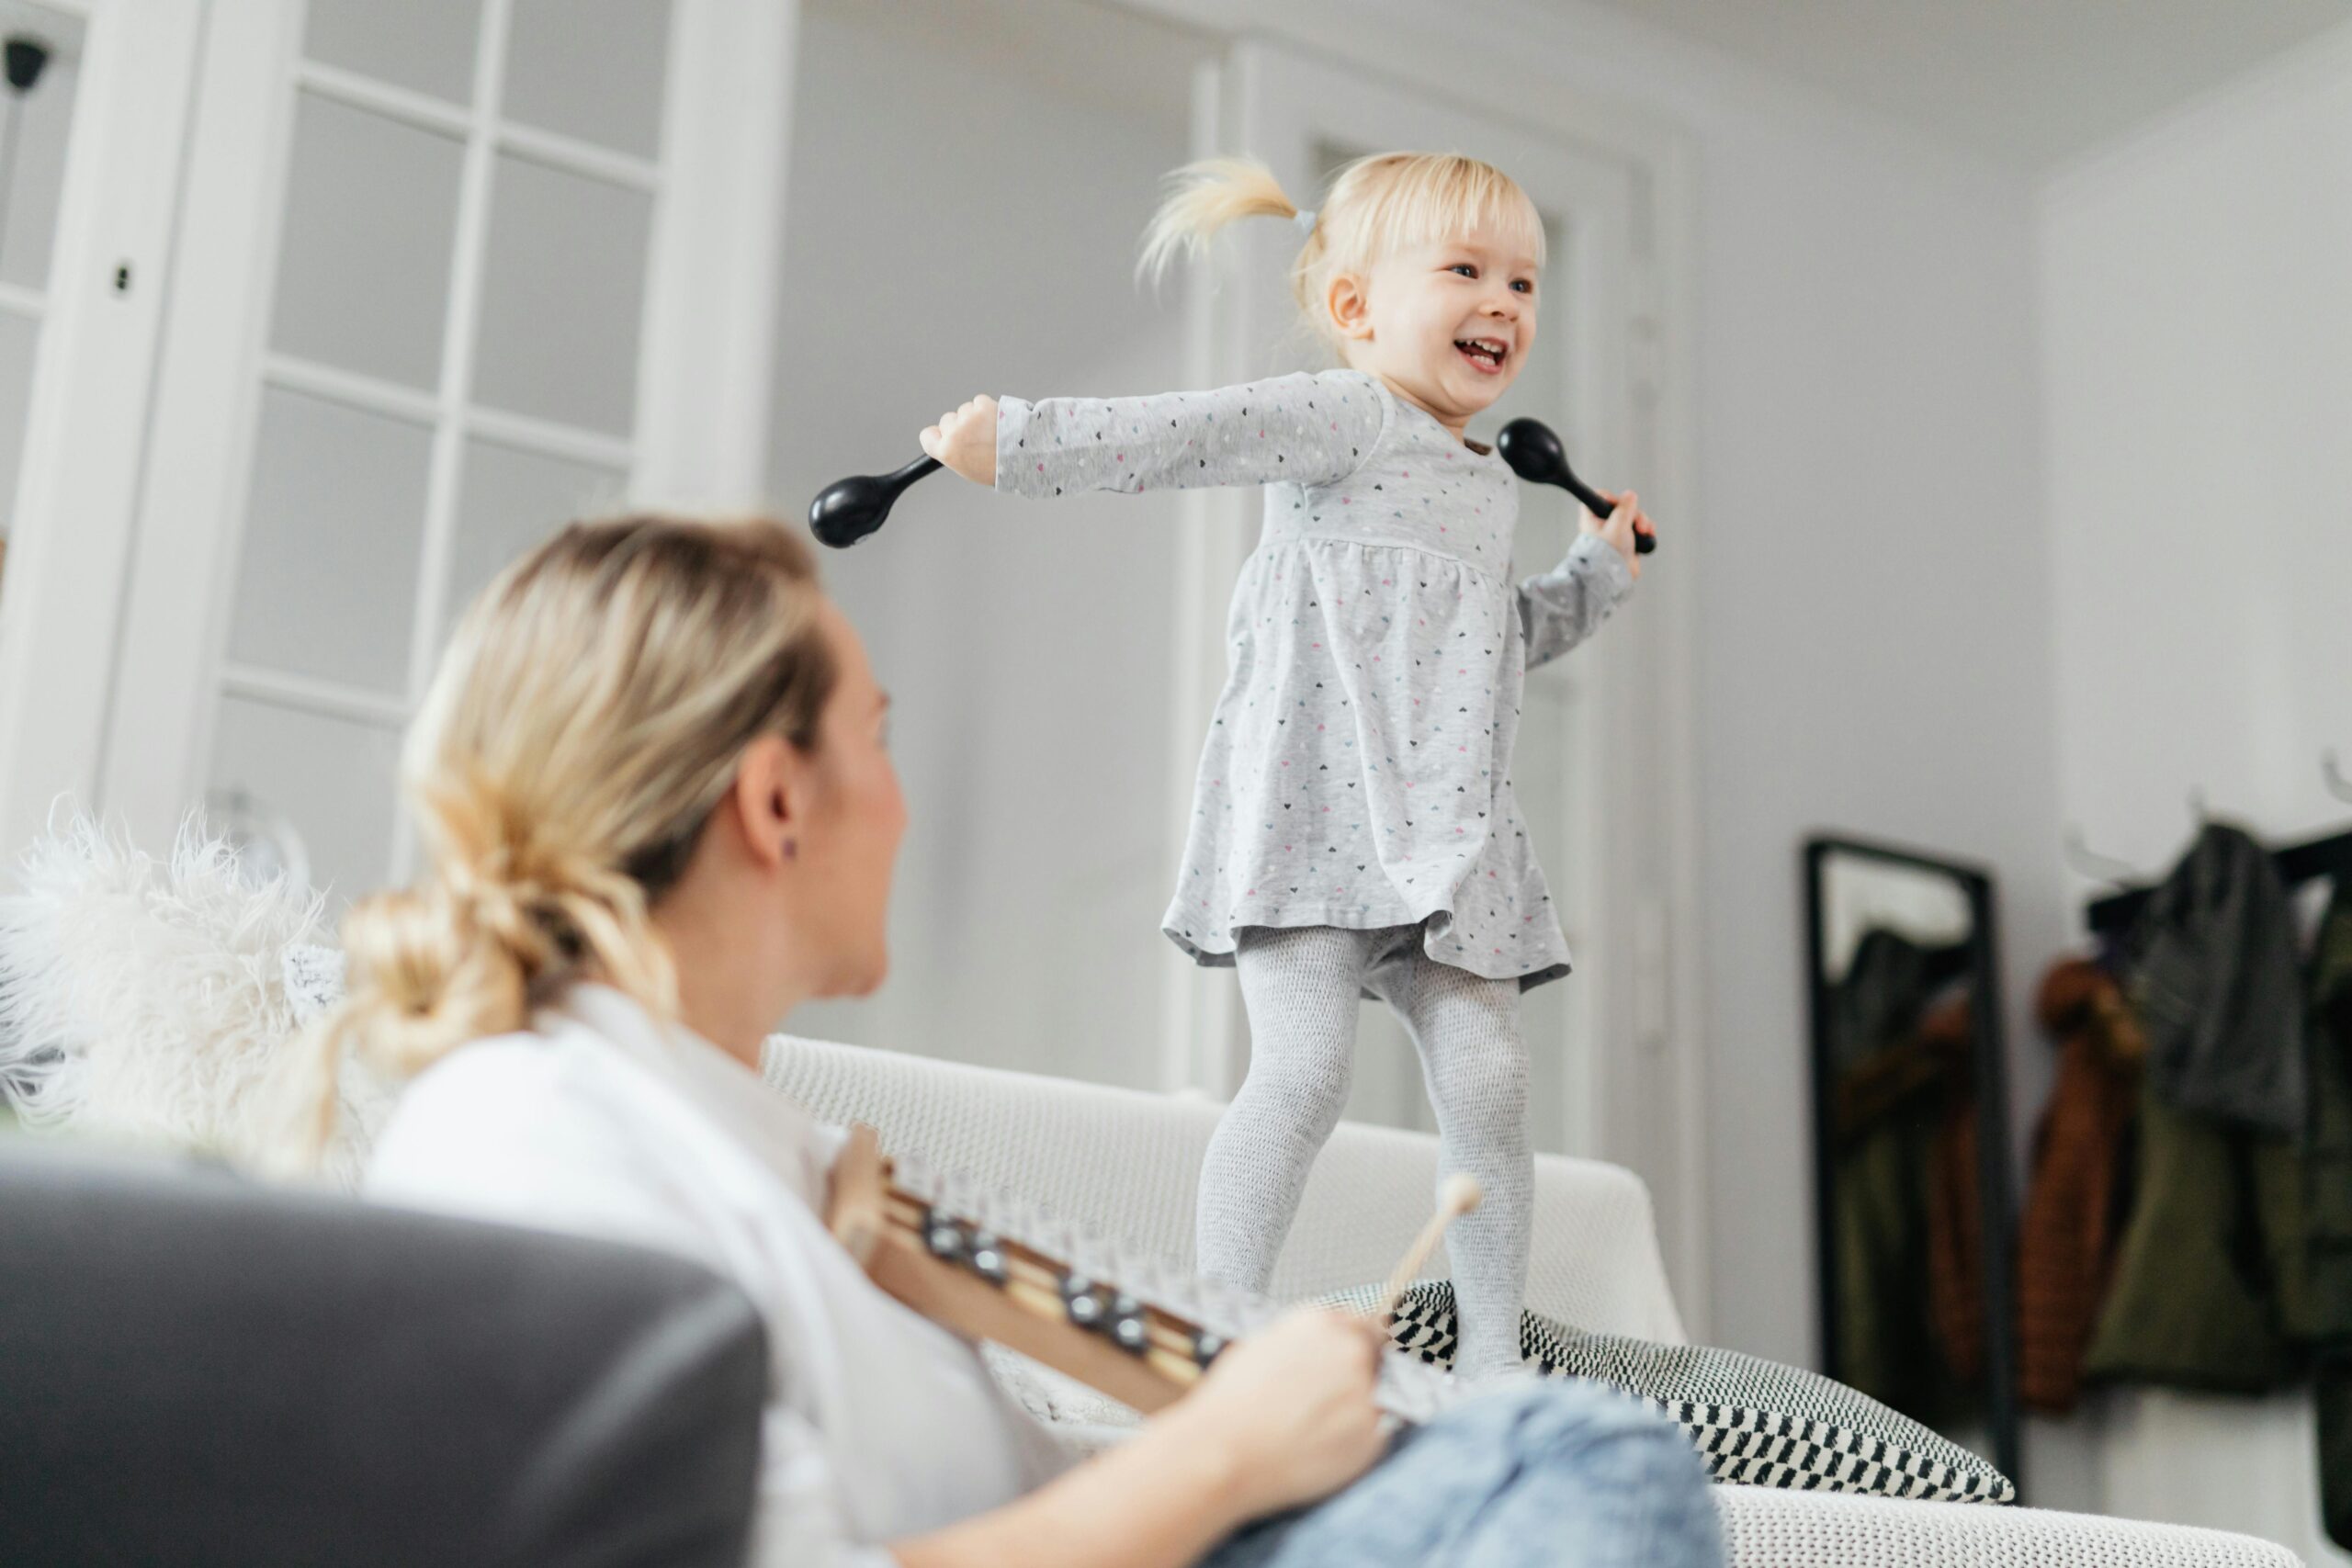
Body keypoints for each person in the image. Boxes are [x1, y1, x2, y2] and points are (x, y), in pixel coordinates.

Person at [290, 514, 1718, 1566]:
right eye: (880, 737)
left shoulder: (759, 1138)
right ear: (777, 804)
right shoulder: (535, 1141)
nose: (905, 806)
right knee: (1586, 1461)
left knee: (1536, 1450)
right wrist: (1228, 1456)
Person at [917, 152, 1654, 1376]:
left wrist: (1597, 573)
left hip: (1449, 839)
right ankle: (1210, 1335)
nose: (1507, 303)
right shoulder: (1343, 415)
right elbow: (1181, 436)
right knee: (1305, 1074)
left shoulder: (1487, 486)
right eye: (1467, 271)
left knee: (1492, 1087)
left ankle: (1487, 1362)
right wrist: (1023, 442)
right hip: (1319, 818)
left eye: (1525, 281)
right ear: (1359, 312)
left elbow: (1492, 646)